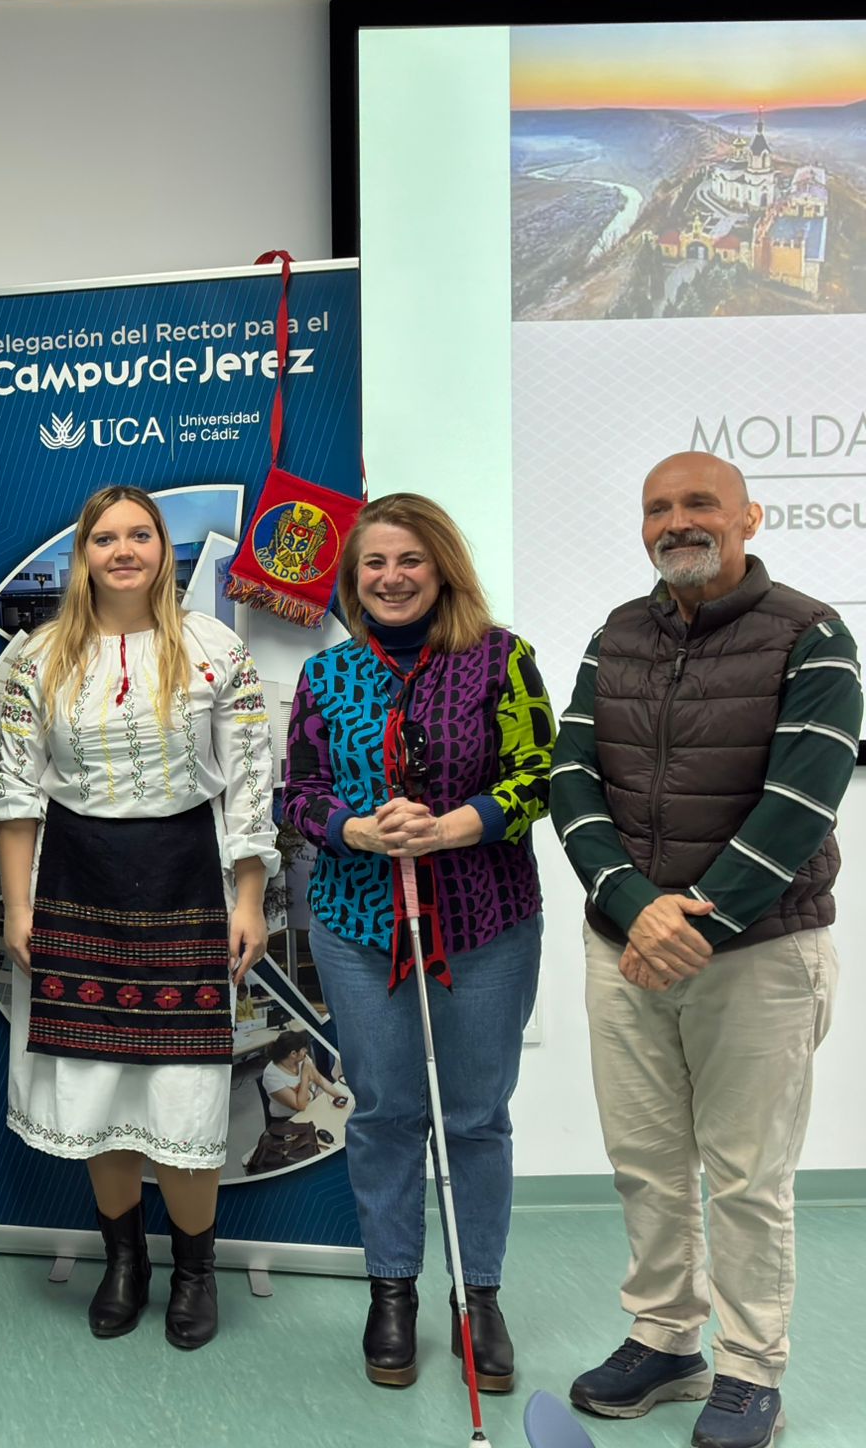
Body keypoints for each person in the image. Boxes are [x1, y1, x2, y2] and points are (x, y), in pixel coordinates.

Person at [551, 453, 857, 1448]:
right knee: (642, 1162)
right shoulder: (615, 634)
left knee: (744, 1176)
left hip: (757, 954)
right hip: (624, 947)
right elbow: (569, 779)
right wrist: (632, 908)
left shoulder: (810, 635)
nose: (674, 522)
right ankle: (665, 1340)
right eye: (655, 508)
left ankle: (747, 1370)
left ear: (746, 518)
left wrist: (690, 923)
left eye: (696, 505)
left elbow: (799, 802)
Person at [0, 484, 278, 1350]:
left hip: (188, 878)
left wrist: (251, 895)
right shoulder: (35, 659)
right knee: (97, 1083)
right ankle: (124, 1262)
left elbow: (252, 780)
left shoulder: (217, 650)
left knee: (183, 1095)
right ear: (84, 554)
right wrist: (17, 904)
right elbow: (13, 790)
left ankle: (193, 1270)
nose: (123, 550)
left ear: (161, 549)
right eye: (104, 537)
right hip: (77, 879)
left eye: (139, 535)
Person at [282, 491, 552, 1395]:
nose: (391, 578)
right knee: (386, 1113)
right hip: (361, 926)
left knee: (476, 1118)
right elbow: (300, 794)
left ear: (441, 568)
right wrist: (356, 830)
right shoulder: (328, 678)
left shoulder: (502, 661)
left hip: (485, 924)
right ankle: (391, 1290)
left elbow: (538, 775)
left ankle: (480, 1297)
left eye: (409, 561)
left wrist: (457, 826)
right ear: (354, 580)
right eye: (373, 565)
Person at [262, 1031, 347, 1121]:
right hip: (290, 1120)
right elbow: (300, 1105)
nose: (306, 1051)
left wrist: (340, 1096)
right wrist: (305, 1076)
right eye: (303, 1049)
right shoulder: (271, 1075)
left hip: (311, 1107)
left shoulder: (302, 1059)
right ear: (293, 1054)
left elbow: (320, 1080)